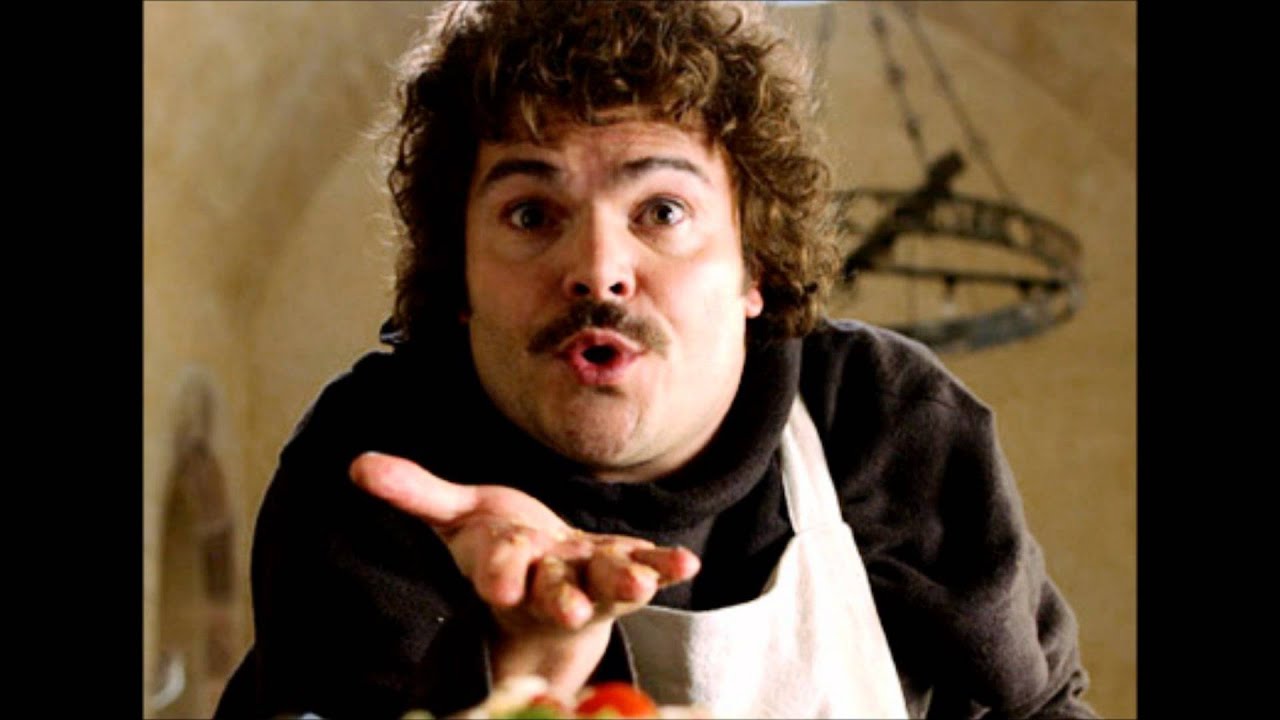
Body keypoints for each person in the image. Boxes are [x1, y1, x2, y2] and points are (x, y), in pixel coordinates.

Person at [215, 1, 1096, 718]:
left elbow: (1040, 709)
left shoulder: (885, 421)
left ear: (755, 267)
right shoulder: (378, 460)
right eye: (531, 214)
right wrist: (523, 669)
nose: (597, 269)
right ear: (460, 279)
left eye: (662, 211)